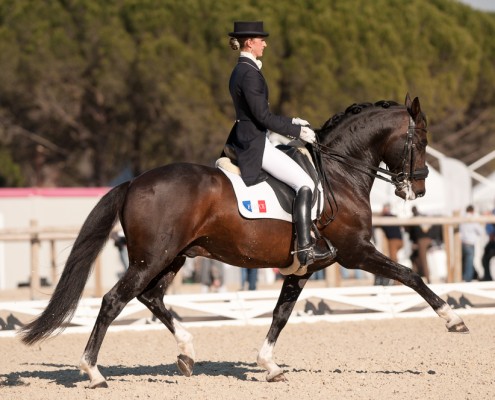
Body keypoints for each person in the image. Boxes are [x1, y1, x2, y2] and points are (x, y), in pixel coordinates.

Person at [225, 21, 335, 268]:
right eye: (261, 39)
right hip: (254, 143)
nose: (265, 43)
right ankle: (305, 247)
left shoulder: (240, 70)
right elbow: (262, 117)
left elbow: (259, 113)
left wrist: (290, 120)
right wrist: (297, 131)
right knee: (305, 183)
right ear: (249, 42)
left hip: (248, 136)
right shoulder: (249, 73)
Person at [374, 203, 403, 286]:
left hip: (393, 241)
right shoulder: (394, 216)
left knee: (394, 261)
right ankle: (396, 281)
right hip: (399, 240)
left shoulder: (384, 218)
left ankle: (398, 281)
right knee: (395, 260)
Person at [406, 206, 431, 283]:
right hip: (425, 239)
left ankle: (428, 279)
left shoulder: (414, 219)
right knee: (414, 257)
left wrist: (415, 242)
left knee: (423, 260)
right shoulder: (423, 217)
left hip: (421, 240)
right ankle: (416, 277)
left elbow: (413, 232)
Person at [460, 205, 484, 282]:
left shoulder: (462, 218)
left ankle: (465, 276)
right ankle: (467, 278)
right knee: (469, 262)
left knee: (465, 261)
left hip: (463, 243)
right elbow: (480, 231)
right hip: (470, 243)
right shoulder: (472, 219)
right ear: (472, 211)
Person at [481, 209, 495, 281]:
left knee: (485, 258)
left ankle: (487, 277)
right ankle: (487, 277)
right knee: (485, 258)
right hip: (492, 242)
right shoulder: (492, 212)